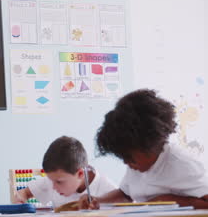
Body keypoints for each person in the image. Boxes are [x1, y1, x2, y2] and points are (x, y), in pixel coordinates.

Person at [78, 89, 208, 209]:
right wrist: (98, 200)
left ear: (149, 145)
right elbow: (126, 195)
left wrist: (169, 200)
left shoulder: (182, 165)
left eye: (129, 158)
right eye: (123, 157)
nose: (126, 163)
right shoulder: (136, 166)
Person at [13, 136, 115, 209]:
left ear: (80, 174)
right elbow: (24, 192)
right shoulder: (54, 181)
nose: (53, 187)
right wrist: (20, 200)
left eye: (59, 182)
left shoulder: (109, 191)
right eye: (51, 180)